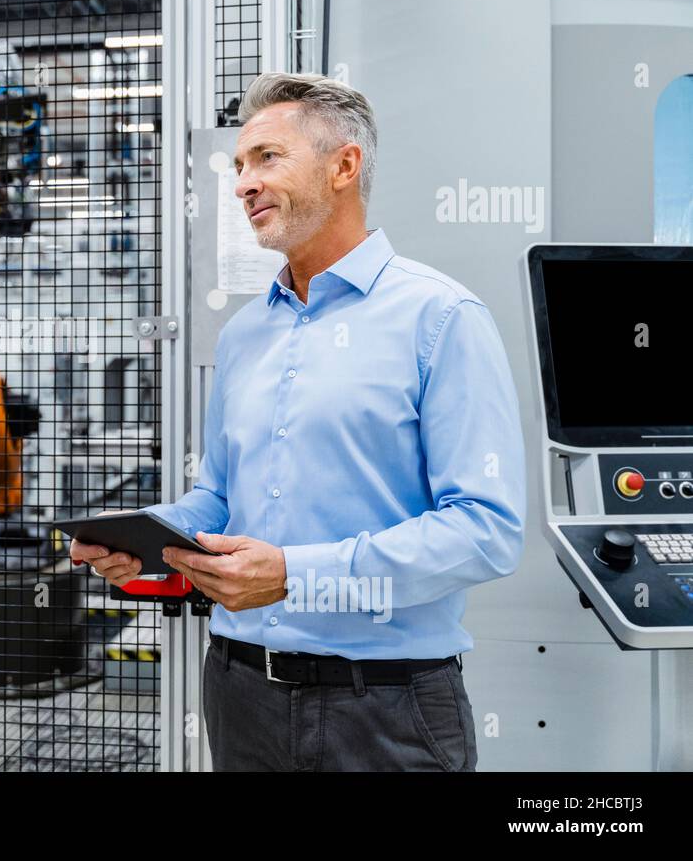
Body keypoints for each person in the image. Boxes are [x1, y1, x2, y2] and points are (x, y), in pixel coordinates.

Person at [72, 72, 525, 771]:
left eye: (267, 159)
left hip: (383, 711)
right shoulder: (245, 335)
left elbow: (486, 532)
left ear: (345, 165)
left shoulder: (440, 319)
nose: (243, 183)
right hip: (240, 692)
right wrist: (150, 542)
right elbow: (219, 500)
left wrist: (295, 575)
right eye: (239, 165)